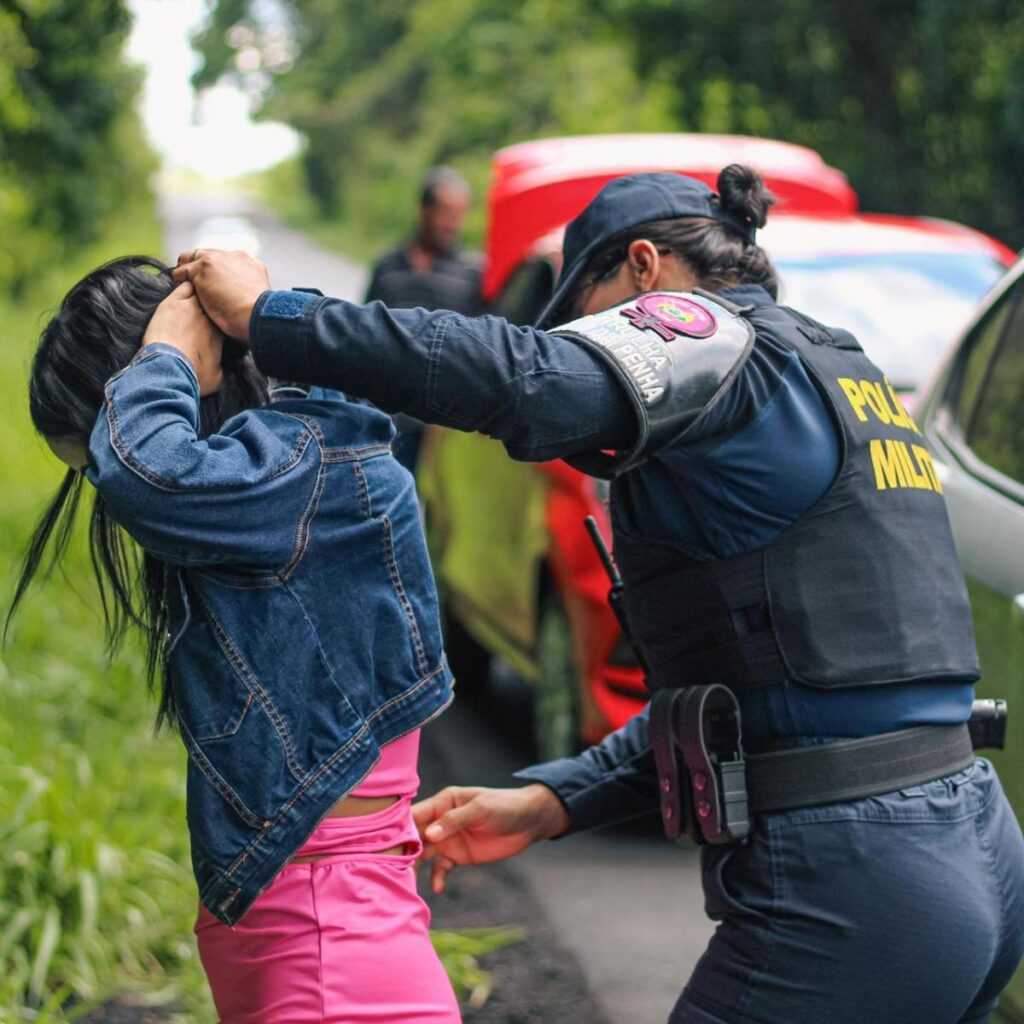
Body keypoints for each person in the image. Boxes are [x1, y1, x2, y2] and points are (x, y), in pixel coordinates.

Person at [173, 165, 1024, 1024]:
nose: (586, 348)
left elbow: (521, 377)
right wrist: (556, 800)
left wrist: (275, 319)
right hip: (972, 851)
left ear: (645, 271)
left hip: (859, 880)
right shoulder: (837, 368)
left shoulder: (707, 338)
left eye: (587, 321)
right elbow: (776, 692)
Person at [8, 257, 461, 1023]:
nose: (107, 490)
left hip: (331, 951)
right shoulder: (283, 484)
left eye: (100, 463)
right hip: (299, 931)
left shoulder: (306, 476)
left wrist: (173, 351)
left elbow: (148, 476)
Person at [364, 166, 483, 470]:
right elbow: (365, 331)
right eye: (445, 212)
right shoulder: (388, 266)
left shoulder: (473, 273)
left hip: (443, 425)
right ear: (423, 211)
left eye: (459, 214)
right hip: (386, 416)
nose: (452, 224)